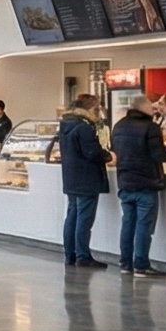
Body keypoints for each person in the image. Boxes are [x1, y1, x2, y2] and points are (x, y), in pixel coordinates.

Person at [111, 100, 166, 277]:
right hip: (146, 182)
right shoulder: (150, 127)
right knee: (144, 225)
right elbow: (158, 154)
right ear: (142, 108)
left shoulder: (119, 126)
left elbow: (115, 151)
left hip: (125, 180)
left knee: (127, 224)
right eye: (151, 107)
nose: (154, 109)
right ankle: (141, 265)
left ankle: (125, 264)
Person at [57, 95, 108, 267]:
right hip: (87, 179)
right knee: (84, 219)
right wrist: (108, 156)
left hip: (71, 178)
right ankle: (83, 255)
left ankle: (70, 254)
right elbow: (92, 152)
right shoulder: (84, 127)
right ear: (91, 109)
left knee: (72, 215)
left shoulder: (65, 124)